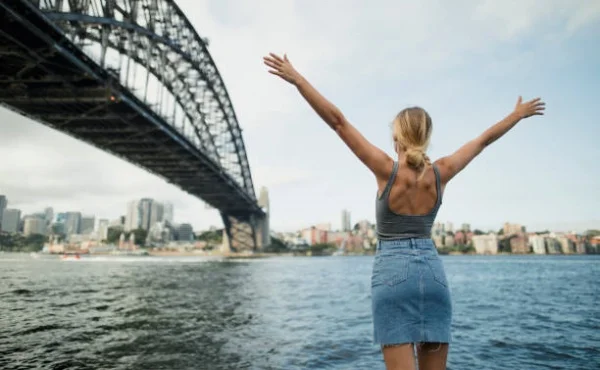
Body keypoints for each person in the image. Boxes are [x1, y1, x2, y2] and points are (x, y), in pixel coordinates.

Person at [263, 53, 545, 370]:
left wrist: (298, 79)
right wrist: (516, 115)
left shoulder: (386, 170)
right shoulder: (442, 171)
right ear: (426, 137)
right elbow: (482, 141)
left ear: (397, 136)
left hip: (392, 277)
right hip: (433, 275)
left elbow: (338, 122)